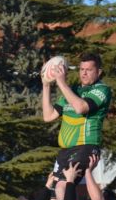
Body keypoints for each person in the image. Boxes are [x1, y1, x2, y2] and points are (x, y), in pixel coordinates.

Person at [42, 52, 111, 184]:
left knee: (63, 186)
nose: (84, 73)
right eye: (82, 69)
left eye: (89, 70)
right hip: (65, 151)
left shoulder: (102, 90)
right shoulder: (73, 90)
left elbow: (80, 108)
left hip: (85, 146)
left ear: (99, 72)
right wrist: (46, 85)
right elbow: (48, 116)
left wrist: (61, 82)